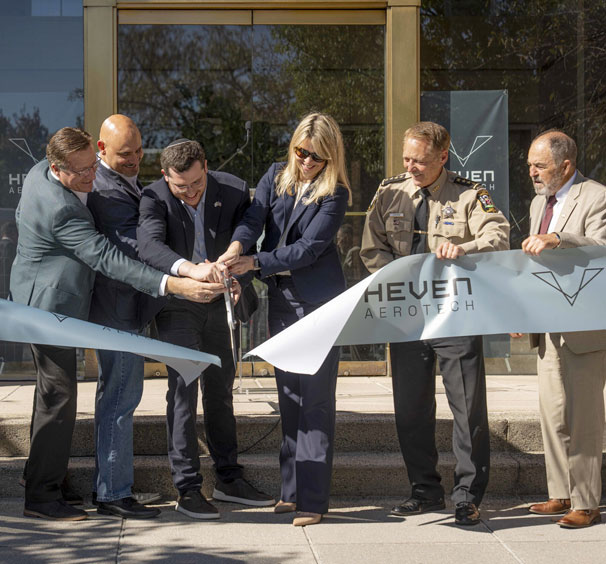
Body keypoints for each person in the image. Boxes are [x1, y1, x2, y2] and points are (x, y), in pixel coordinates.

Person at [9, 127, 223, 522]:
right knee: (60, 397)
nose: (94, 175)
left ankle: (40, 477)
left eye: (94, 165)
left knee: (53, 395)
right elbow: (109, 256)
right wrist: (175, 284)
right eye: (84, 170)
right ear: (57, 168)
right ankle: (45, 497)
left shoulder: (39, 170)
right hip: (49, 306)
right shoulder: (63, 208)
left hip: (43, 295)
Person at [360, 121, 510, 526]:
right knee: (410, 410)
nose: (411, 167)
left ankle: (467, 496)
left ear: (443, 157)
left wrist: (463, 247)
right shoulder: (390, 191)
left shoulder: (468, 193)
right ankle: (424, 491)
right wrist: (397, 278)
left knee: (467, 410)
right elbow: (370, 248)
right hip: (408, 317)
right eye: (407, 158)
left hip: (455, 314)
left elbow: (498, 235)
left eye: (421, 161)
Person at [218, 113, 352, 527]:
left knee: (315, 400)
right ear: (292, 147)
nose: (308, 161)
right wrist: (236, 247)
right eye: (302, 152)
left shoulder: (336, 192)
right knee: (290, 398)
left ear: (331, 157)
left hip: (320, 304)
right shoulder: (276, 175)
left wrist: (253, 262)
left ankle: (313, 500)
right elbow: (254, 218)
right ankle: (291, 492)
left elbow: (309, 249)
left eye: (318, 156)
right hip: (282, 301)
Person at [138, 138, 275, 521]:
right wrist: (190, 268)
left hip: (222, 303)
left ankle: (228, 479)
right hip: (179, 305)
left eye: (197, 184)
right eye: (181, 187)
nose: (192, 193)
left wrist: (234, 252)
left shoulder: (230, 187)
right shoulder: (154, 196)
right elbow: (148, 246)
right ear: (166, 176)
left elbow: (250, 222)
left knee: (220, 391)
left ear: (207, 167)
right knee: (183, 391)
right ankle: (187, 488)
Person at [515, 130, 606, 529]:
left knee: (584, 414)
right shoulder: (540, 201)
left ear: (566, 165)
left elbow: (601, 248)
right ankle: (560, 492)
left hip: (584, 324)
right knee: (552, 412)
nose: (532, 173)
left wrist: (558, 238)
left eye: (540, 166)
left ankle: (586, 501)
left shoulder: (597, 195)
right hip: (547, 323)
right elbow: (535, 265)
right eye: (530, 166)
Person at [85, 115, 161, 518]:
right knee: (120, 397)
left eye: (138, 152)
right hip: (116, 308)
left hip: (124, 305)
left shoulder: (125, 182)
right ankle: (114, 493)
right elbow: (136, 247)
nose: (133, 160)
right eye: (124, 154)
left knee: (116, 394)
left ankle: (109, 485)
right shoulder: (104, 190)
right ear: (101, 150)